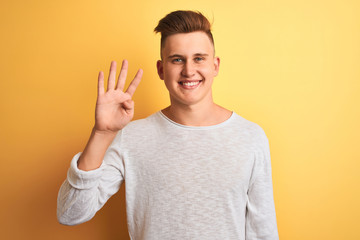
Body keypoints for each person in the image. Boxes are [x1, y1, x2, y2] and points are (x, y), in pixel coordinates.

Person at [57, 10, 279, 240]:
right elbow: (70, 213)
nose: (189, 70)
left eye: (199, 58)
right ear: (161, 70)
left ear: (215, 66)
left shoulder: (250, 137)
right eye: (177, 59)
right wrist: (101, 134)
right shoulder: (132, 138)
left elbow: (263, 232)